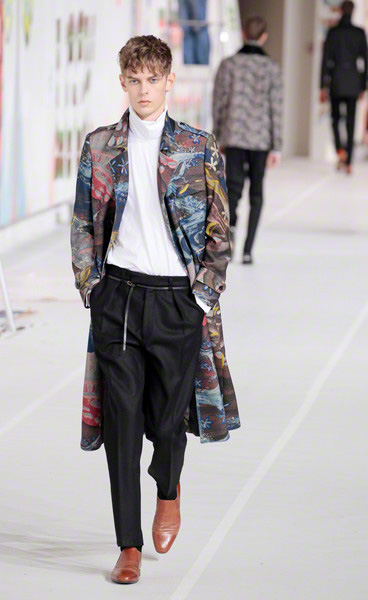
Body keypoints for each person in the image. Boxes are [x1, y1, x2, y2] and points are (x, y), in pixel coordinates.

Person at [71, 35, 240, 585]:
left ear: (169, 82)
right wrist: (92, 287)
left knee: (168, 423)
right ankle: (129, 545)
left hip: (176, 302)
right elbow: (82, 222)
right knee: (122, 425)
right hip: (118, 299)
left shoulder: (198, 146)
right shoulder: (100, 146)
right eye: (134, 79)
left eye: (152, 79)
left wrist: (202, 296)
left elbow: (220, 228)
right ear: (122, 81)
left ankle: (168, 487)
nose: (143, 90)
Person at [212, 15, 283, 265]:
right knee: (257, 192)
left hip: (234, 134)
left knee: (232, 189)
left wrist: (218, 134)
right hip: (261, 138)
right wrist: (277, 145)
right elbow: (276, 108)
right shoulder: (272, 68)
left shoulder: (228, 65)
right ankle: (248, 249)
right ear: (264, 36)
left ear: (243, 34)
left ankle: (229, 238)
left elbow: (218, 101)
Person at [320, 0, 368, 174]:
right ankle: (349, 161)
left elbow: (325, 60)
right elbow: (365, 61)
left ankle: (340, 149)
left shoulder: (333, 32)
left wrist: (322, 85)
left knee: (335, 118)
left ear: (340, 11)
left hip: (336, 79)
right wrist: (363, 85)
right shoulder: (359, 33)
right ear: (353, 11)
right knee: (350, 120)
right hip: (353, 80)